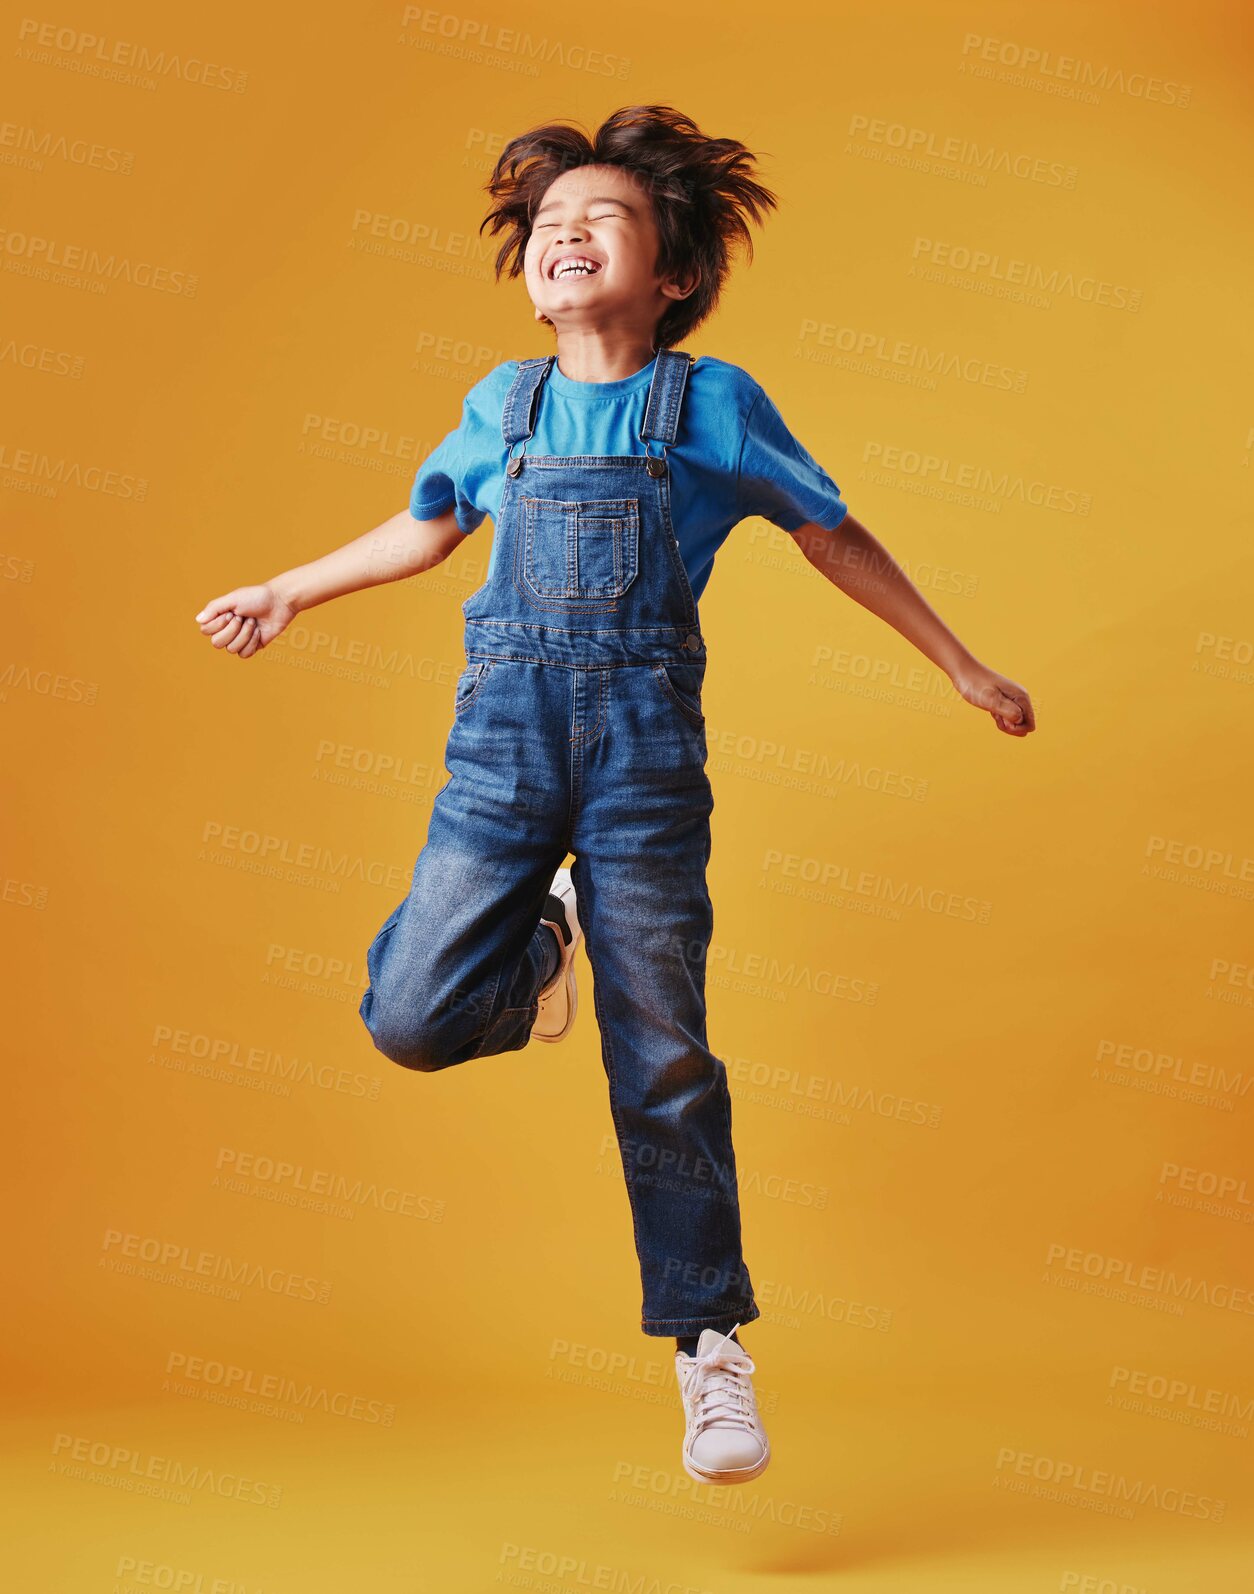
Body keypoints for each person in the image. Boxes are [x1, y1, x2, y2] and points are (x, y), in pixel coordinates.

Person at [194, 105, 1035, 1487]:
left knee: (664, 1062)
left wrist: (957, 660)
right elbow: (426, 523)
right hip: (502, 756)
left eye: (604, 218)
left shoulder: (710, 405)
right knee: (407, 1013)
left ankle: (706, 1341)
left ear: (675, 274)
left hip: (643, 776)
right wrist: (289, 586)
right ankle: (541, 949)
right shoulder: (498, 405)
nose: (564, 234)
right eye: (544, 223)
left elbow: (829, 533)